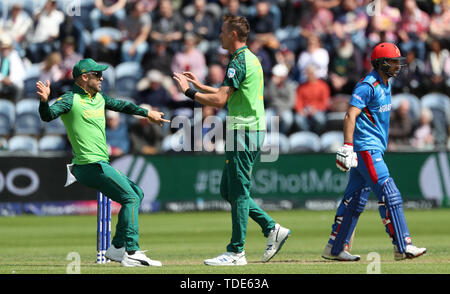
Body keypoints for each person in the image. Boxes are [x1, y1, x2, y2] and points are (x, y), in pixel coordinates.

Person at [173, 15, 290, 266]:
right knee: (228, 189)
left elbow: (219, 101)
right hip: (248, 130)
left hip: (244, 132)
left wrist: (187, 92)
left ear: (233, 35)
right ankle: (272, 228)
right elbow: (223, 92)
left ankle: (236, 252)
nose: (220, 36)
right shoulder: (249, 58)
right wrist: (200, 85)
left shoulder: (238, 61)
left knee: (237, 192)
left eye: (223, 32)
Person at [37, 58, 170, 267]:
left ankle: (117, 249)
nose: (101, 78)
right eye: (97, 74)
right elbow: (48, 116)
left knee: (137, 194)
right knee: (131, 199)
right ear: (84, 77)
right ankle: (131, 251)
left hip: (98, 164)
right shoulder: (70, 99)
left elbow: (122, 105)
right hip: (88, 165)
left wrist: (148, 113)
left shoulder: (99, 97)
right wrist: (44, 102)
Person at [322, 42, 427, 261]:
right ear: (380, 63)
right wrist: (348, 146)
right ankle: (402, 245)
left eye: (398, 62)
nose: (397, 66)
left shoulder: (386, 84)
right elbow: (350, 115)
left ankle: (335, 248)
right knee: (390, 192)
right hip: (365, 147)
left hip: (373, 146)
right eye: (392, 62)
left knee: (356, 199)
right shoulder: (367, 85)